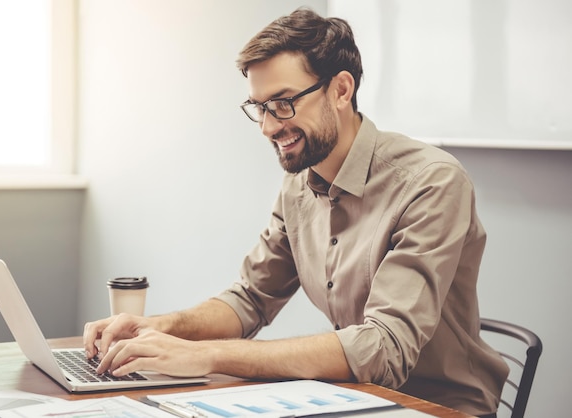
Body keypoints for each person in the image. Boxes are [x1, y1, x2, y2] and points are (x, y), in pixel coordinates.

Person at [83, 8, 508, 417]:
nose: (268, 127)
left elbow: (383, 347)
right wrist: (156, 329)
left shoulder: (431, 182)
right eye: (259, 107)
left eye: (283, 102)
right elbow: (250, 299)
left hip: (438, 407)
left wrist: (202, 355)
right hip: (351, 398)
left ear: (341, 90)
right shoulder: (299, 182)